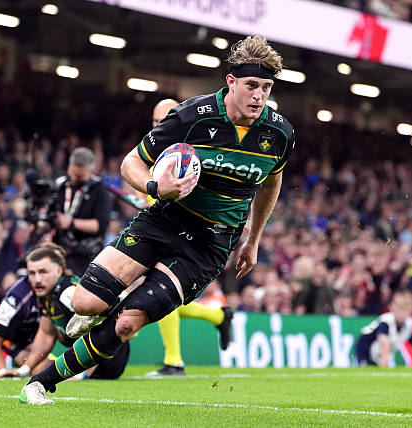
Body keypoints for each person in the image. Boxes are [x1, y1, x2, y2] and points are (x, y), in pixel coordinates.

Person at [20, 35, 295, 404]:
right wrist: (155, 186)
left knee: (126, 324)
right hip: (163, 220)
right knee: (85, 304)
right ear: (231, 81)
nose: (259, 96)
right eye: (251, 85)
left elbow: (272, 181)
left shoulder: (279, 133)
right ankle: (104, 308)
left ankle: (40, 384)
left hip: (209, 244)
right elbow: (130, 163)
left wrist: (253, 240)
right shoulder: (191, 117)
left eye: (266, 87)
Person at [147, 98, 234, 377]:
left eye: (164, 120)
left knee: (159, 290)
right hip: (159, 229)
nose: (159, 126)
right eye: (155, 121)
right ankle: (218, 316)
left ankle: (174, 361)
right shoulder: (154, 151)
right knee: (161, 294)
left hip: (184, 234)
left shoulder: (191, 154)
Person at [0, 243, 129, 380]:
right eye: (32, 273)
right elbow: (46, 334)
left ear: (59, 271)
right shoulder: (48, 294)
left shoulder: (67, 293)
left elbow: (101, 324)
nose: (37, 279)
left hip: (108, 359)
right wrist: (25, 369)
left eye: (43, 272)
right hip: (93, 358)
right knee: (39, 370)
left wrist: (81, 375)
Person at [51, 147, 112, 276]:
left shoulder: (100, 190)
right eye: (72, 173)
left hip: (87, 256)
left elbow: (100, 225)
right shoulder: (61, 185)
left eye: (79, 176)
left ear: (91, 171)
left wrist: (71, 223)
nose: (73, 178)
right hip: (61, 252)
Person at [355, 292, 412, 367]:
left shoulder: (408, 325)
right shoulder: (386, 321)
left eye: (405, 310)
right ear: (394, 309)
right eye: (400, 309)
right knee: (367, 368)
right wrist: (384, 365)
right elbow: (384, 343)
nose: (402, 313)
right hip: (366, 347)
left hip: (380, 351)